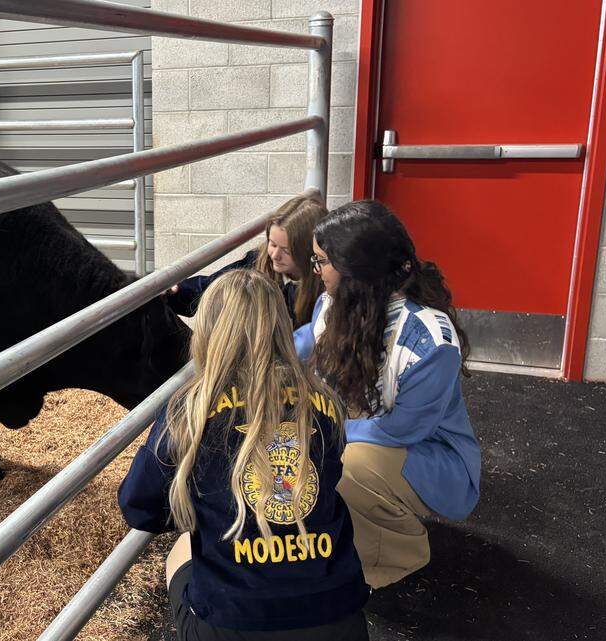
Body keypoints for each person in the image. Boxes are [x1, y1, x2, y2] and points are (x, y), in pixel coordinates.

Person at [120, 269, 369, 641]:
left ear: (209, 333)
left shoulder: (189, 411)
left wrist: (204, 505)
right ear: (281, 327)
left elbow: (139, 507)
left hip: (233, 623)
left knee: (182, 550)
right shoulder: (325, 401)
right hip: (338, 614)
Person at [295, 199, 481, 589]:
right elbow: (301, 347)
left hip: (431, 458)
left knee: (344, 462)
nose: (316, 272)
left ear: (354, 272)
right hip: (367, 438)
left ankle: (393, 557)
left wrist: (320, 433)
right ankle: (348, 534)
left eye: (321, 262)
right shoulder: (333, 304)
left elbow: (399, 430)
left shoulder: (431, 342)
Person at [167, 195, 327, 326]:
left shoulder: (326, 282)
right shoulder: (258, 261)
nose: (275, 255)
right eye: (272, 244)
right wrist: (177, 291)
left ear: (307, 250)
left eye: (286, 250)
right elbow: (214, 286)